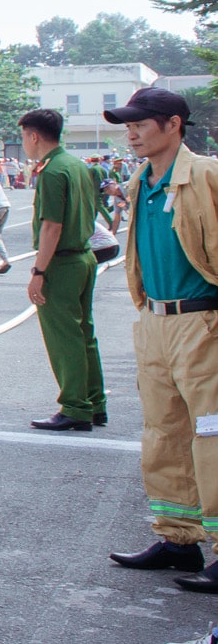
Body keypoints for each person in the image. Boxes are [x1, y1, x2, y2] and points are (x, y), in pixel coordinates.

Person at [95, 89, 218, 600]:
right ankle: (178, 537)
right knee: (163, 431)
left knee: (211, 434)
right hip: (155, 320)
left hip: (202, 319)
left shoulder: (206, 176)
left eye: (141, 122)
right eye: (127, 123)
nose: (131, 131)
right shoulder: (140, 181)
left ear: (173, 125)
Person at [20, 108, 107, 432]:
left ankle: (75, 406)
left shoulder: (54, 171)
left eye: (23, 137)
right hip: (85, 256)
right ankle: (94, 402)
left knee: (64, 337)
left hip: (63, 262)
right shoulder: (76, 165)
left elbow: (52, 227)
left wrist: (38, 273)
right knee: (84, 333)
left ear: (34, 136)